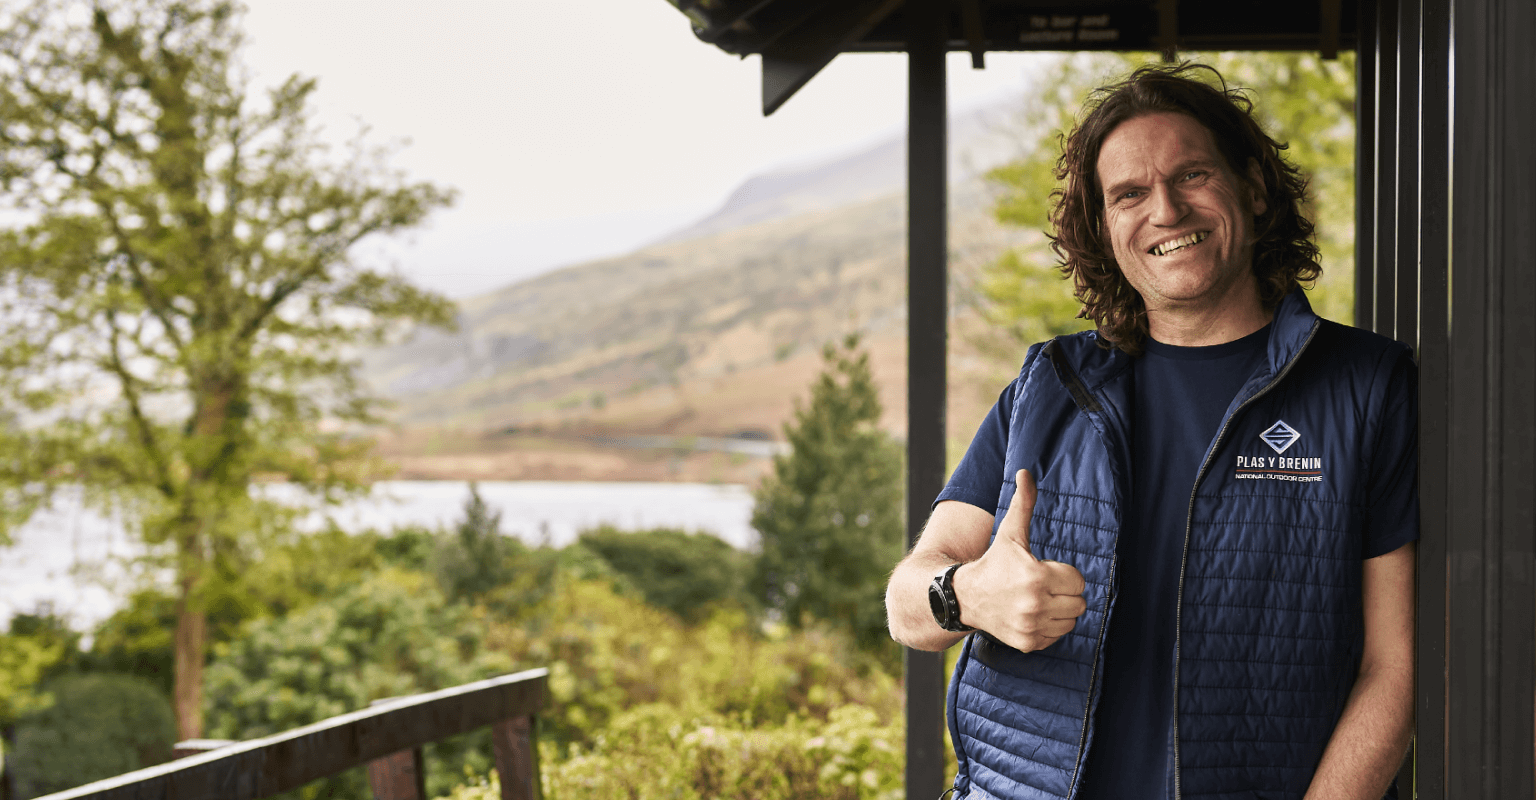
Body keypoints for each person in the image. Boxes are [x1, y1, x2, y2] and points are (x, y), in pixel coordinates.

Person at [885, 63, 1417, 800]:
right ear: (1105, 229)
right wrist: (967, 594)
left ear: (1253, 189)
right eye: (1129, 194)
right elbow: (907, 603)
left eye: (1192, 174)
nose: (1165, 209)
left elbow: (1395, 667)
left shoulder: (1366, 386)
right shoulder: (1049, 386)